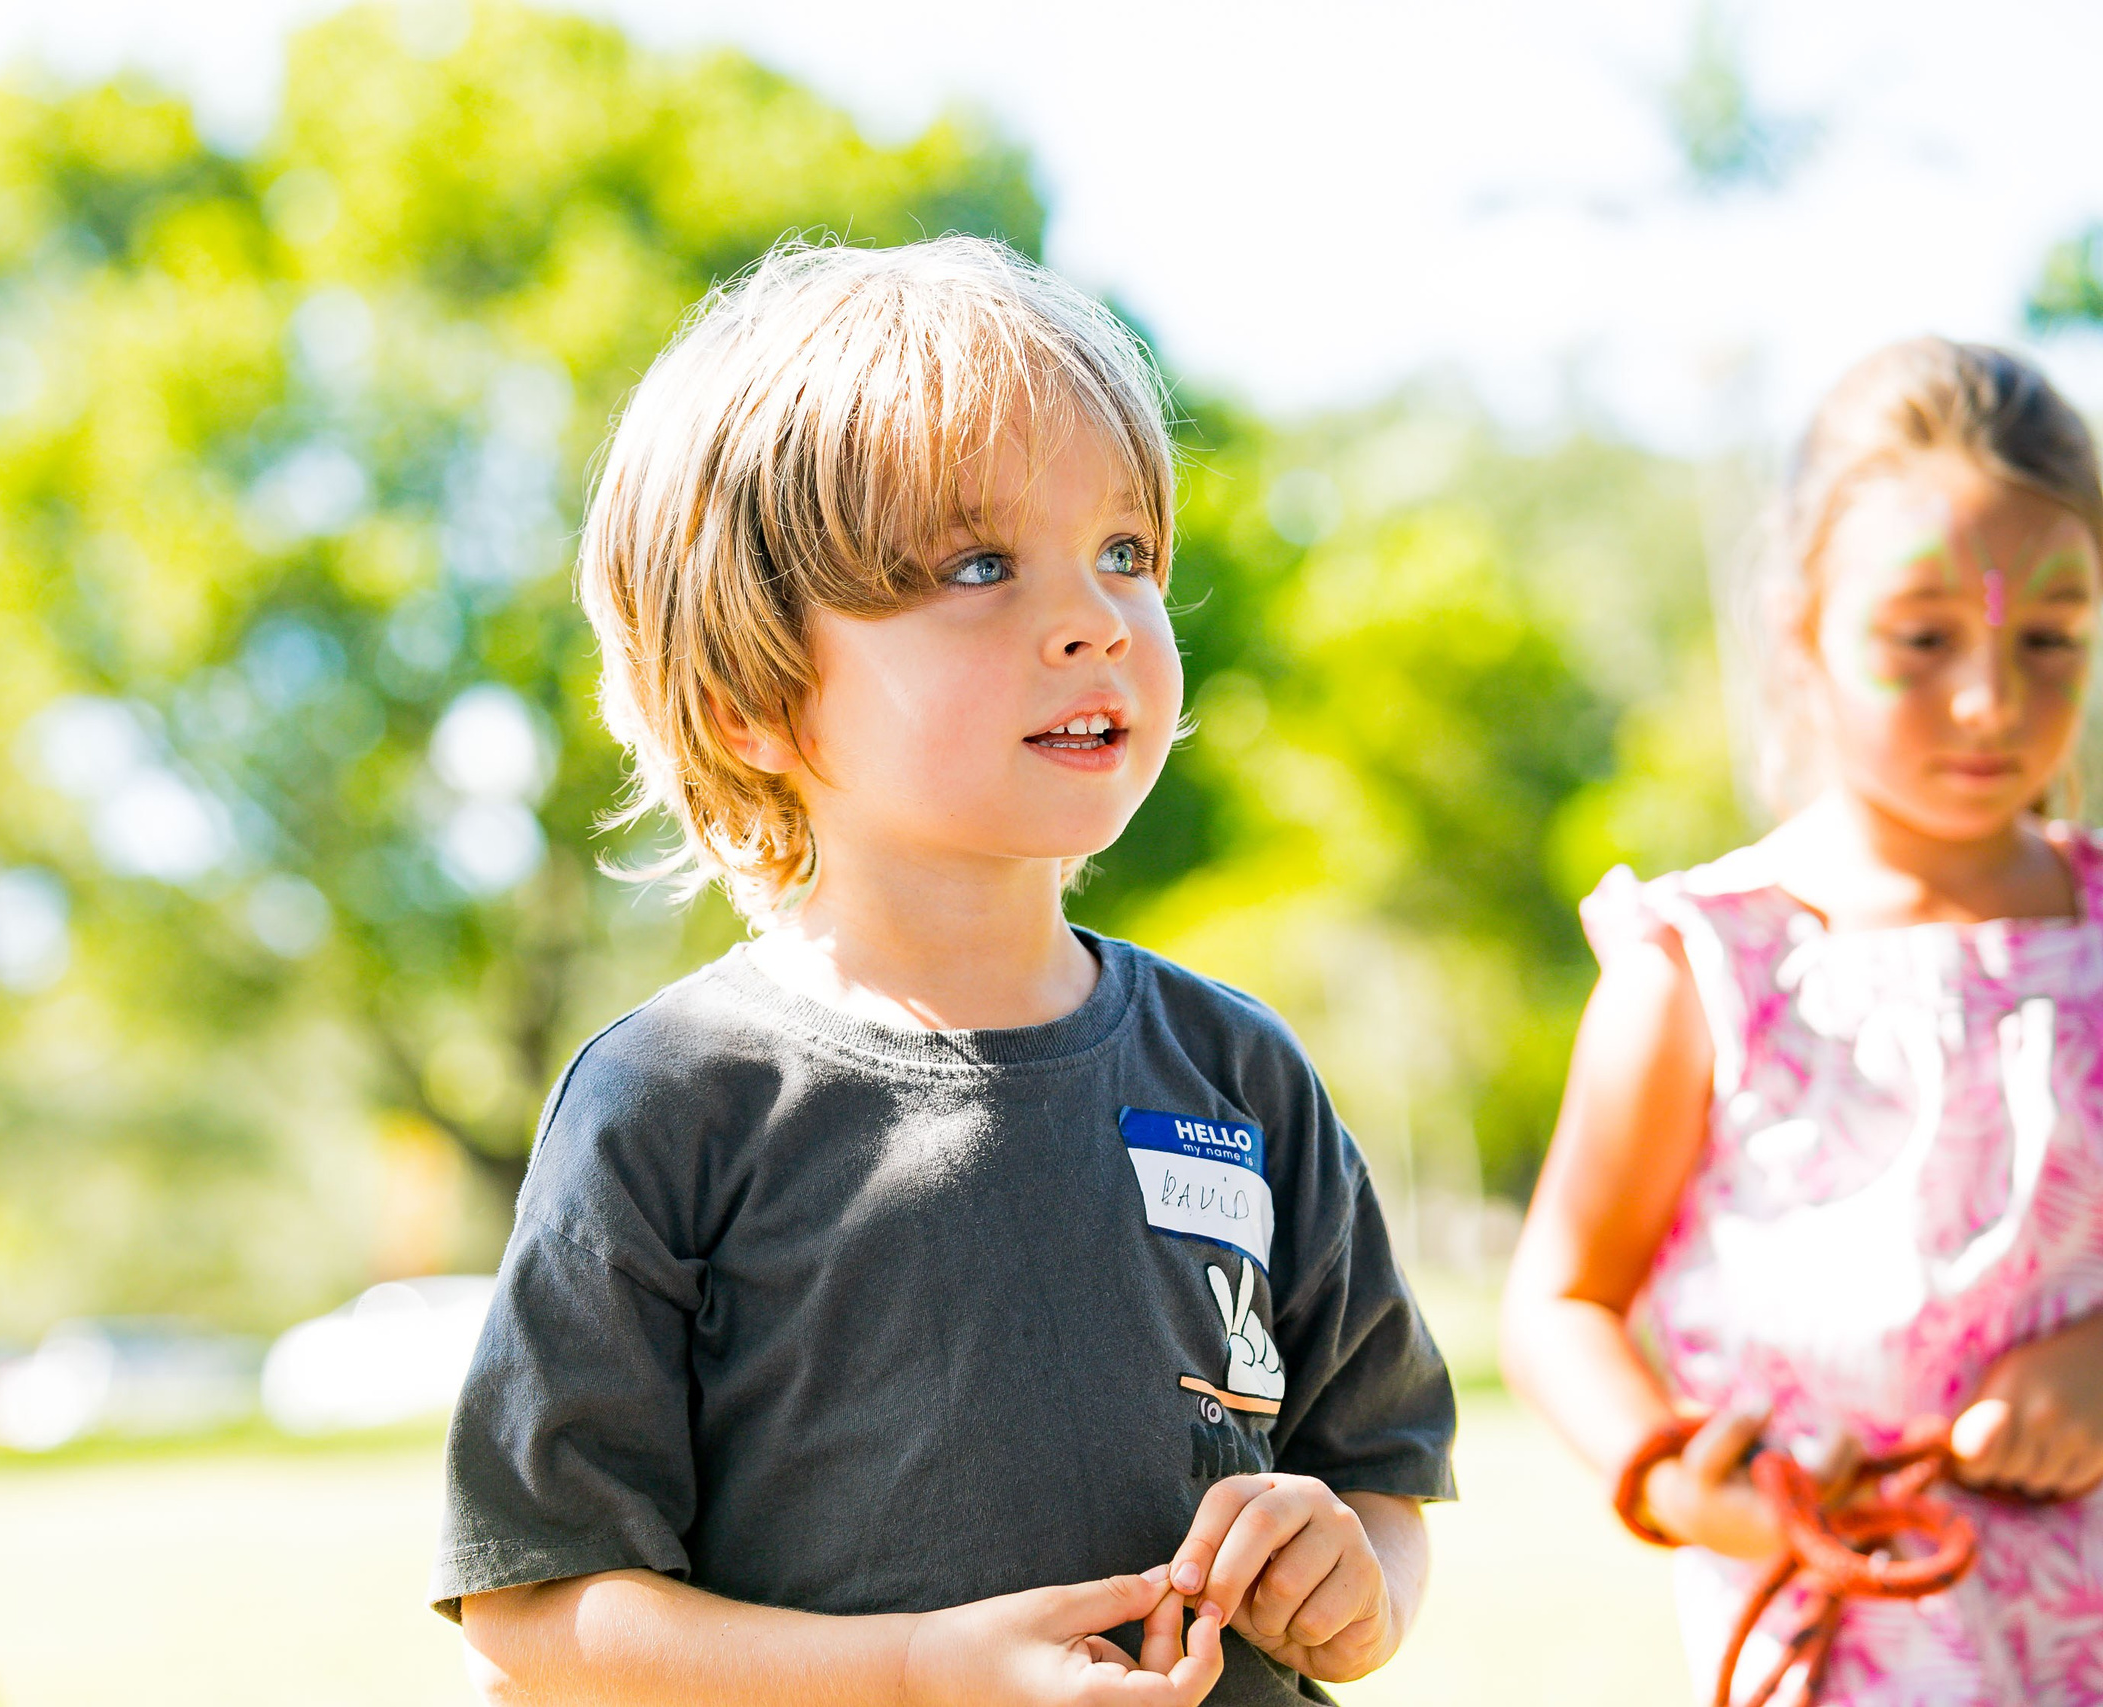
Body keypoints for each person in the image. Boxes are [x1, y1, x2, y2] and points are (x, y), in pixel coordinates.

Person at [434, 236, 1457, 1706]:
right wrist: (916, 1670)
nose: (1095, 617)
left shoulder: (1242, 1074)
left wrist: (1353, 1587)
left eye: (1125, 553)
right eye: (979, 567)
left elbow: (1379, 1478)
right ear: (750, 699)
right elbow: (535, 1610)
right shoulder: (673, 1102)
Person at [1502, 337, 2103, 1704]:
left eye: (2051, 639)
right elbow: (1559, 1302)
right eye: (1922, 639)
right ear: (1801, 633)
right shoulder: (1706, 967)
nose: (1990, 699)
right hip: (1841, 1660)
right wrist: (1680, 1481)